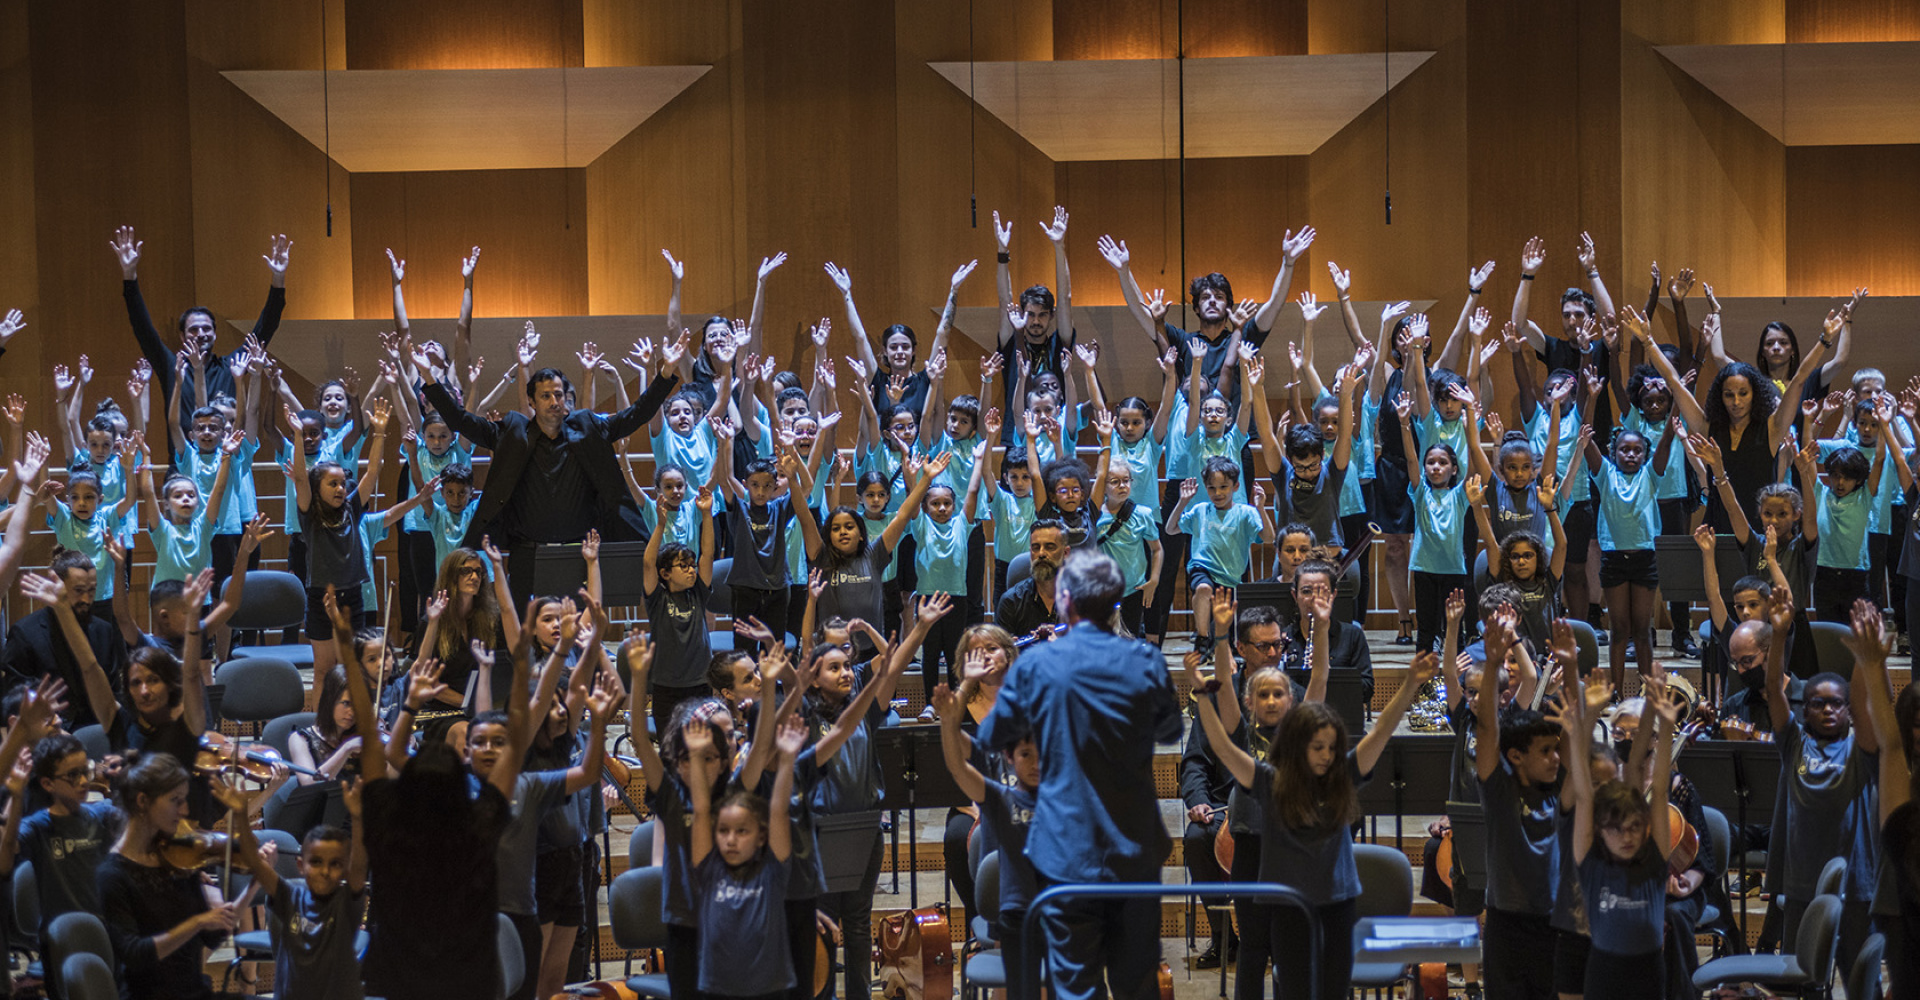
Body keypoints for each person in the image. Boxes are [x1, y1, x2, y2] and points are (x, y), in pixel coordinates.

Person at [979, 549, 1181, 1000]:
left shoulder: (1035, 665)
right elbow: (1170, 729)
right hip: (1135, 849)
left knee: (1075, 987)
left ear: (1066, 600)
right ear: (1116, 602)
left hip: (1066, 852)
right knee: (1137, 986)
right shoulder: (1143, 659)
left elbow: (993, 735)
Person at [1193, 645, 1437, 1000]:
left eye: (1332, 747)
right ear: (1299, 746)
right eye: (1317, 747)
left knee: (1334, 993)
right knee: (1294, 992)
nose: (1326, 755)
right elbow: (1225, 749)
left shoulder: (1343, 776)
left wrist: (1410, 684)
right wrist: (1201, 695)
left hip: (1338, 906)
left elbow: (1381, 731)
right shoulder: (1269, 781)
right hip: (1289, 909)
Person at [418, 331, 688, 598]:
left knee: (581, 629)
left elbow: (635, 415)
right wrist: (429, 378)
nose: (554, 402)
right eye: (545, 396)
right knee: (525, 628)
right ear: (533, 403)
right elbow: (460, 420)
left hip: (580, 549)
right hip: (527, 550)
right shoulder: (512, 431)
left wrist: (665, 375)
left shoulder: (588, 427)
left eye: (558, 395)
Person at [1760, 586, 1879, 978]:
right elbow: (1774, 691)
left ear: (1847, 710)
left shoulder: (1859, 750)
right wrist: (1779, 634)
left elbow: (1865, 708)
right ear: (1804, 710)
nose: (1828, 709)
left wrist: (1864, 657)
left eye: (1836, 703)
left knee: (1863, 985)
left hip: (1857, 888)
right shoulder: (1794, 743)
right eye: (1817, 703)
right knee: (1803, 982)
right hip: (1802, 887)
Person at [112, 225, 291, 446]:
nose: (201, 334)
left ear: (215, 334)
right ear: (182, 336)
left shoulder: (231, 366)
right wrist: (129, 277)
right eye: (193, 330)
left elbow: (265, 328)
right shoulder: (172, 366)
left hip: (227, 464)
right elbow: (143, 329)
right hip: (182, 470)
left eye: (207, 329)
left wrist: (278, 279)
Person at [1474, 606, 1564, 1000]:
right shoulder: (1500, 792)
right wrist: (1493, 664)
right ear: (1515, 756)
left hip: (1554, 922)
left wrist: (1573, 672)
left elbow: (1576, 740)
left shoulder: (1562, 793)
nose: (1555, 758)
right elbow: (1489, 726)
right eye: (1545, 752)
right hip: (1507, 925)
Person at [934, 672, 1040, 1000]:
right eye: (1025, 756)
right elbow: (957, 767)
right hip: (1014, 912)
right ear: (1010, 757)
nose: (1035, 764)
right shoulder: (999, 797)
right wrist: (949, 723)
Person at [98, 751, 237, 1000]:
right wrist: (198, 922)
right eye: (176, 800)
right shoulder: (111, 875)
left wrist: (255, 882)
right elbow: (135, 955)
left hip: (195, 993)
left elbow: (213, 937)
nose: (184, 810)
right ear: (142, 801)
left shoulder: (178, 856)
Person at [688, 708, 805, 1000]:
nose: (730, 840)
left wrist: (788, 758)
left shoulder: (773, 869)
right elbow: (702, 812)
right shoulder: (710, 867)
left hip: (768, 989)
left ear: (761, 836)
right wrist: (696, 756)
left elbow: (778, 810)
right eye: (724, 831)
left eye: (742, 831)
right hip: (717, 988)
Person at [214, 777, 367, 1000]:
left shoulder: (347, 902)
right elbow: (254, 861)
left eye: (334, 864)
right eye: (316, 862)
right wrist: (240, 816)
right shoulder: (290, 895)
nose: (325, 871)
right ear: (300, 866)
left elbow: (360, 863)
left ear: (345, 869)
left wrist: (357, 817)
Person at [5, 548, 129, 730]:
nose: (86, 599)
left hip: (98, 725)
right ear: (57, 585)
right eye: (78, 591)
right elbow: (15, 696)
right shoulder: (24, 632)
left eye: (91, 590)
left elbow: (113, 690)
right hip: (49, 729)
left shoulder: (103, 631)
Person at [994, 520, 1068, 641]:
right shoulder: (1011, 601)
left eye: (1050, 547)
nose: (1041, 553)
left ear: (1065, 553)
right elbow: (1001, 653)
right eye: (1036, 548)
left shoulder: (1080, 600)